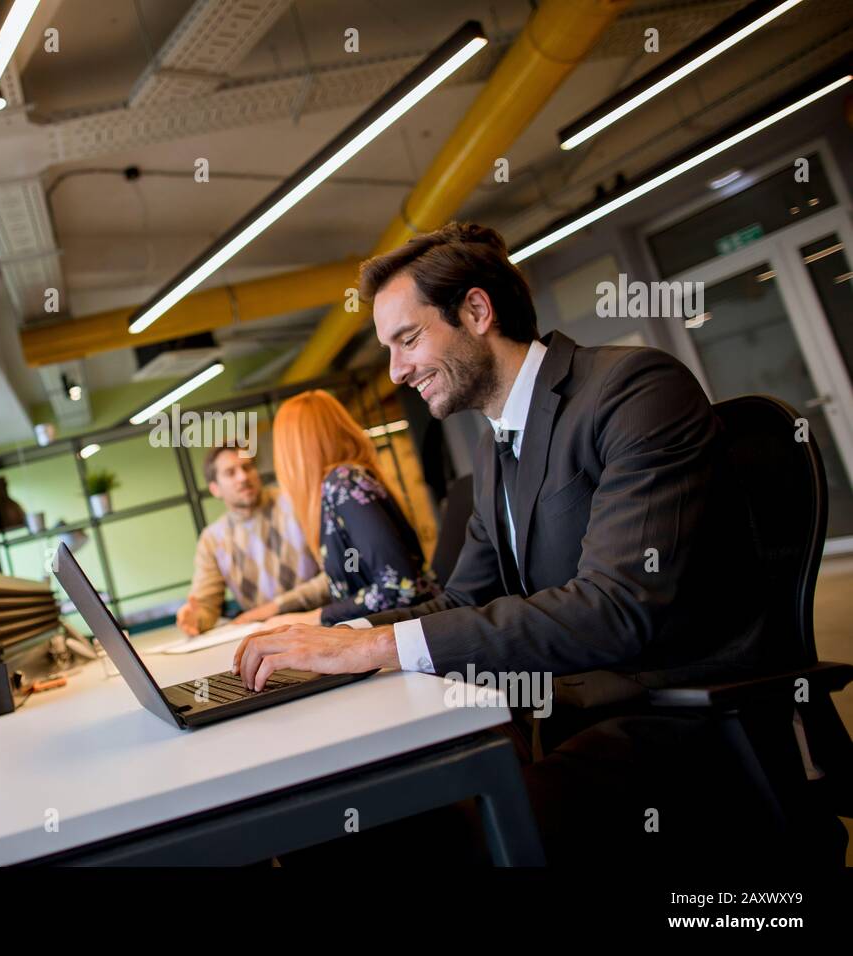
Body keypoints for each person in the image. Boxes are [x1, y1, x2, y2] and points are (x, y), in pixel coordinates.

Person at [232, 222, 774, 860]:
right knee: (343, 824)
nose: (397, 371)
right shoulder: (496, 450)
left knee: (412, 841)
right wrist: (338, 645)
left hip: (671, 724)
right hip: (553, 716)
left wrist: (375, 645)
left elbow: (618, 607)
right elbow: (462, 601)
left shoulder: (634, 391)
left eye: (407, 339)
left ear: (477, 310)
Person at [270, 389, 436, 626]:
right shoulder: (339, 486)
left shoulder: (344, 483)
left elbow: (398, 586)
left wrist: (316, 617)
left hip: (406, 636)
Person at [175, 444, 330, 636]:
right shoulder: (212, 540)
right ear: (215, 489)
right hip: (268, 638)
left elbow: (334, 577)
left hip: (323, 624)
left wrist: (276, 607)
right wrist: (195, 619)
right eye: (230, 473)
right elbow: (205, 605)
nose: (243, 477)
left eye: (247, 467)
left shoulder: (296, 504)